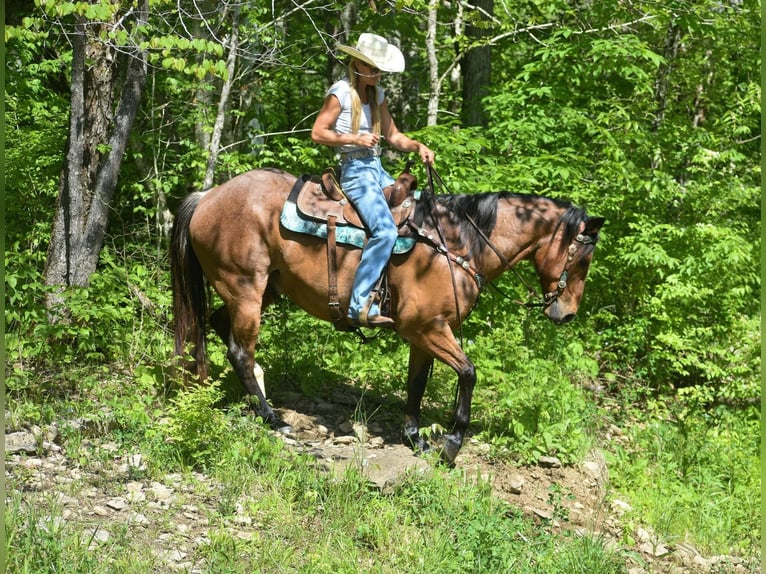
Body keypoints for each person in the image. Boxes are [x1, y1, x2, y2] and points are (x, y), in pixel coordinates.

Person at [311, 32, 435, 328]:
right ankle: (359, 304)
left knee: (415, 217)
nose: (378, 74)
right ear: (357, 64)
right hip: (355, 171)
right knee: (385, 231)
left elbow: (392, 136)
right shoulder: (340, 92)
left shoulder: (377, 95)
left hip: (376, 168)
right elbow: (318, 133)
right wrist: (355, 138)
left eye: (380, 69)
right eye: (373, 68)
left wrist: (418, 146)